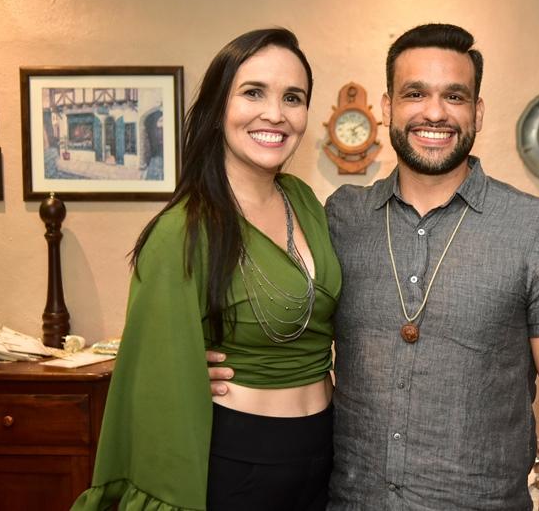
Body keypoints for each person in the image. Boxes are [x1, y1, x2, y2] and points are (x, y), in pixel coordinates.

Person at [209, 23, 539, 510]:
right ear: (388, 107)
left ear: (477, 112)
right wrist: (202, 361)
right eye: (415, 93)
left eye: (454, 96)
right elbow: (281, 310)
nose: (434, 112)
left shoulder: (536, 229)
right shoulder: (340, 218)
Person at [73, 28, 341, 511]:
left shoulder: (303, 201)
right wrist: (179, 365)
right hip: (239, 461)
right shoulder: (182, 231)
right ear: (219, 108)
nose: (275, 114)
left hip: (323, 452)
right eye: (253, 92)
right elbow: (152, 377)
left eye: (293, 98)